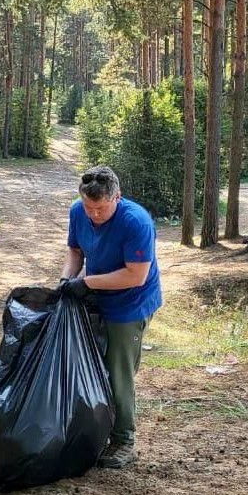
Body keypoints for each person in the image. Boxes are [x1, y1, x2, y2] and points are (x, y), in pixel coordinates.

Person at [57, 166, 162, 470]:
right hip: (98, 293)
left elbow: (136, 275)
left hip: (131, 302)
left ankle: (124, 441)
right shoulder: (79, 211)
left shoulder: (135, 222)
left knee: (119, 370)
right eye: (89, 207)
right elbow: (76, 251)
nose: (93, 215)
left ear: (117, 197)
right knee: (90, 362)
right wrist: (67, 280)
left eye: (100, 208)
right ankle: (97, 427)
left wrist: (87, 283)